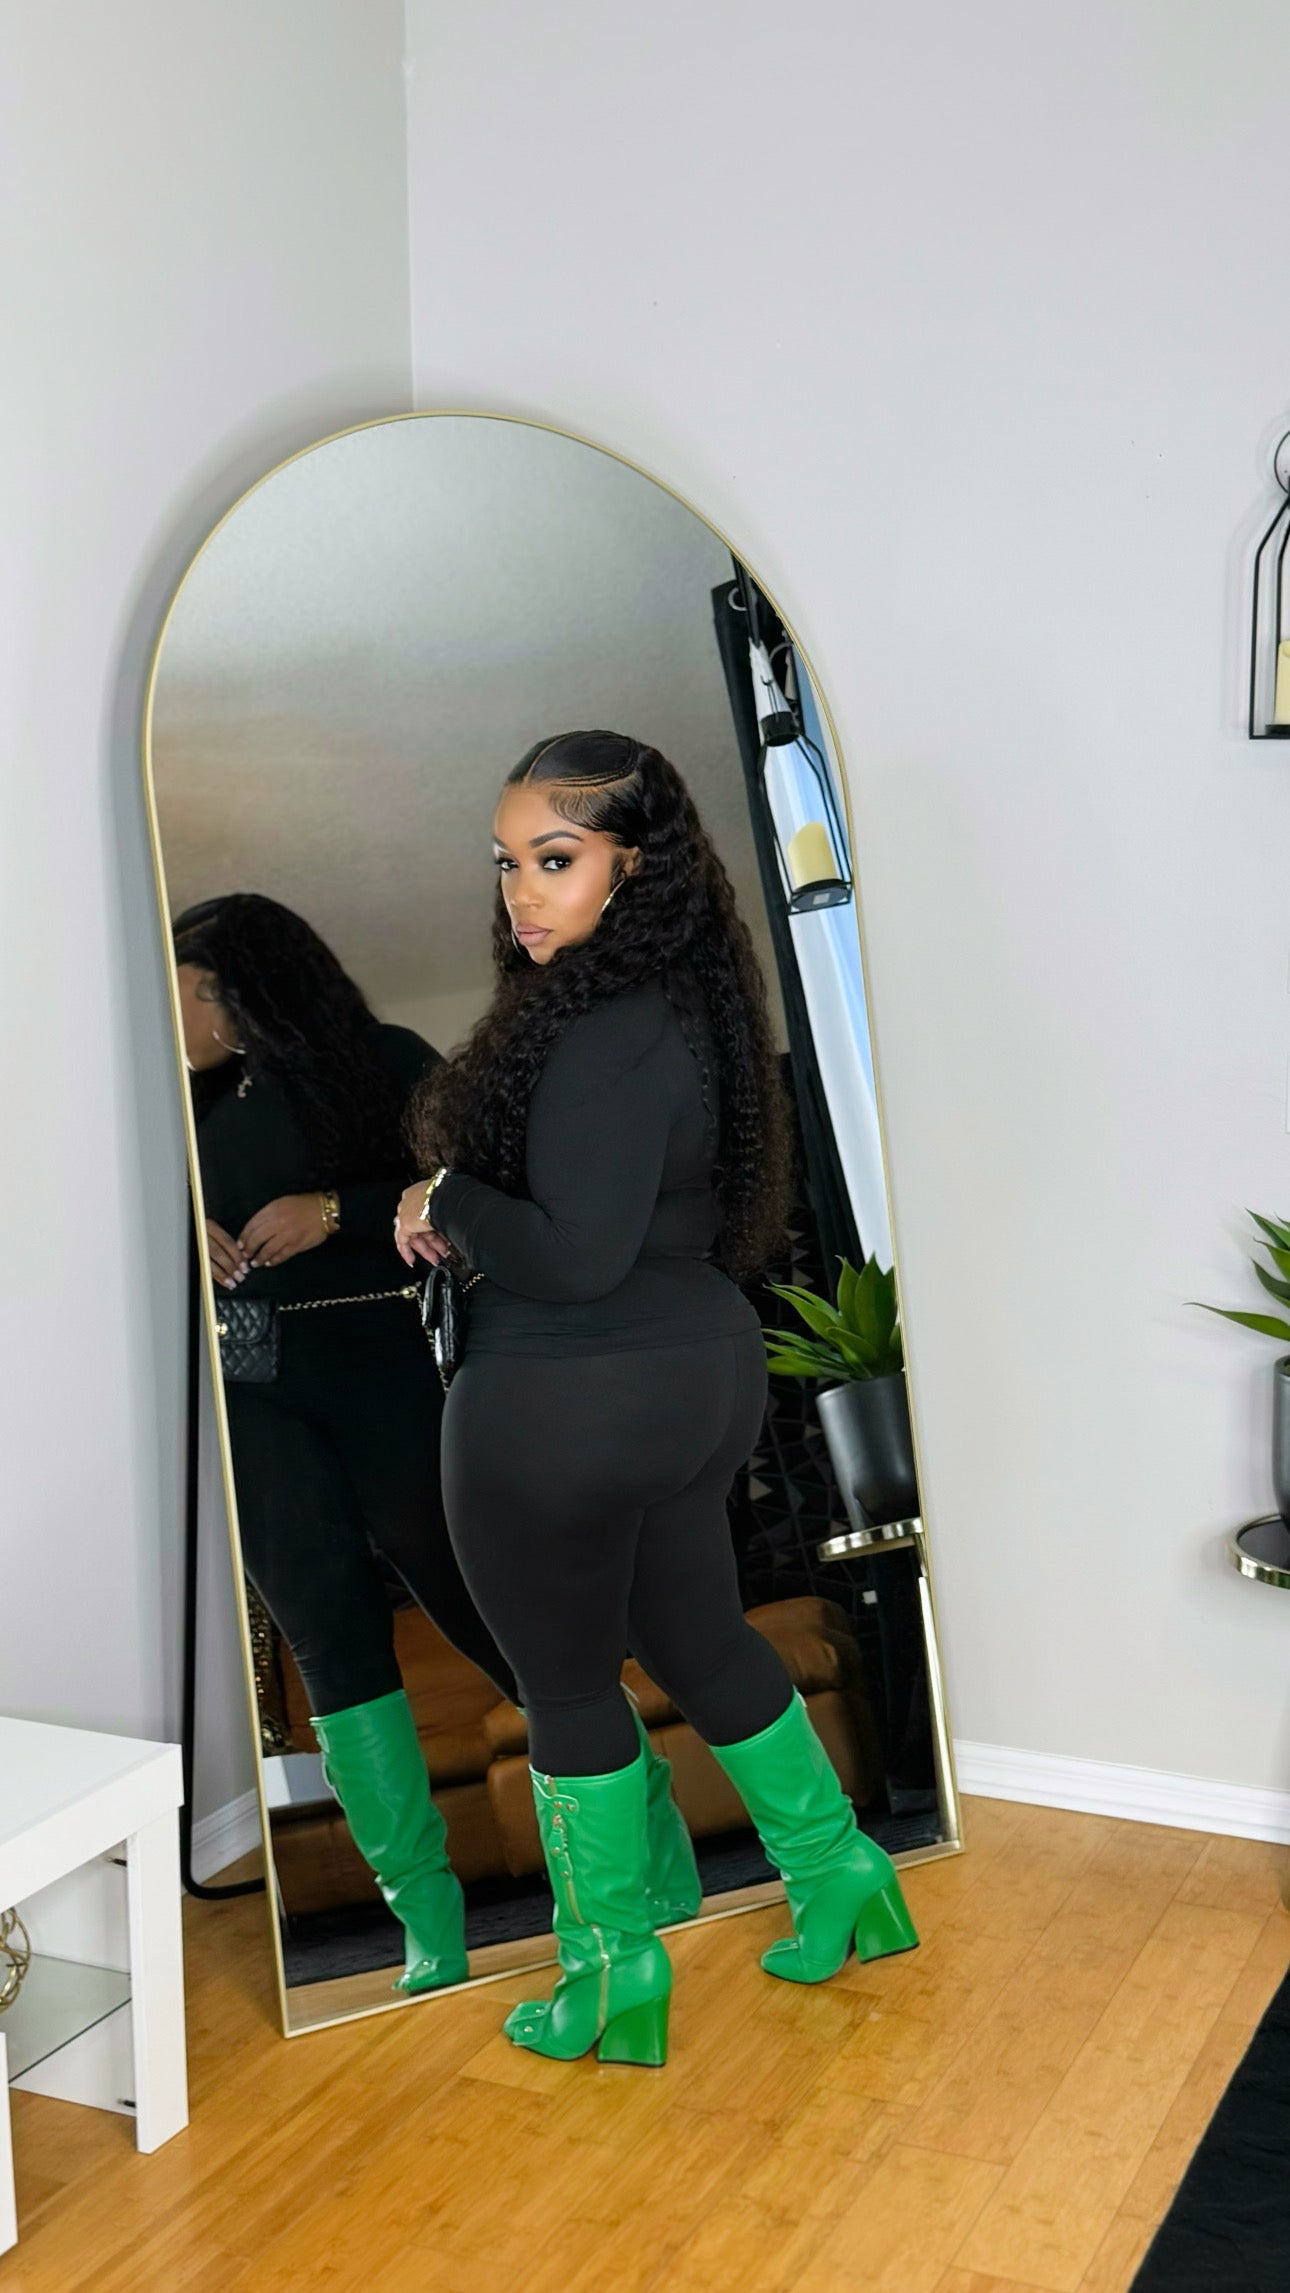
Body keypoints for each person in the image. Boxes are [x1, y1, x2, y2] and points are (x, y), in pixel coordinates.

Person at [395, 731, 918, 2068]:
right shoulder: (685, 1014)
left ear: (636, 867)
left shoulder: (604, 1031)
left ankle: (610, 1974)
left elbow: (573, 1257)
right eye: (508, 863)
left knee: (565, 1685)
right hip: (694, 1376)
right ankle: (839, 1871)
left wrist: (447, 1196)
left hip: (559, 1399)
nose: (522, 892)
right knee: (699, 1635)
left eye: (555, 860)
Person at [176, 893, 697, 1997]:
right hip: (251, 1398)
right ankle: (424, 1917)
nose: (170, 1012)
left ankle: (644, 1836)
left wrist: (334, 1209)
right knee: (327, 1641)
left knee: (490, 1605)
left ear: (236, 988)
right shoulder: (172, 1118)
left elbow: (473, 1195)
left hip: (387, 1372)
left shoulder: (380, 1060)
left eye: (183, 988)